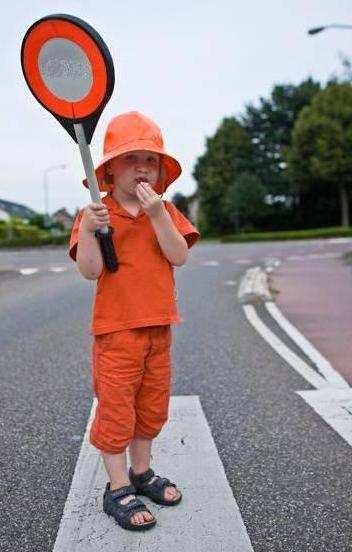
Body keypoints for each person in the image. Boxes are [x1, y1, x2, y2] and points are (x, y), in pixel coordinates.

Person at [68, 111, 200, 531]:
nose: (143, 166)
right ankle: (118, 486)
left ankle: (142, 472)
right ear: (107, 169)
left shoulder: (166, 211)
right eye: (130, 158)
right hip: (116, 332)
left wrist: (159, 215)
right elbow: (90, 271)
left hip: (159, 327)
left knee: (151, 407)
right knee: (116, 410)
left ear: (161, 172)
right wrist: (89, 231)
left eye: (151, 159)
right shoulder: (96, 214)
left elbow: (178, 255)